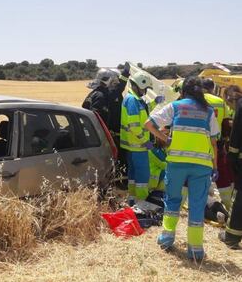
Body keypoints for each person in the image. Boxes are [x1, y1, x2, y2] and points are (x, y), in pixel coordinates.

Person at [145, 76, 219, 260]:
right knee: (197, 204)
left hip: (177, 163)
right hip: (202, 166)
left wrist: (165, 139)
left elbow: (149, 123)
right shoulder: (208, 112)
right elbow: (214, 142)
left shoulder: (176, 107)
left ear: (183, 91)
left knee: (172, 200)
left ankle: (166, 239)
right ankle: (195, 249)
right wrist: (215, 166)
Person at [83, 63, 130, 187]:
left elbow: (119, 88)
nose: (115, 84)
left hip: (102, 136)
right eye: (114, 81)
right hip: (108, 136)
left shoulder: (95, 93)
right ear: (108, 81)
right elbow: (97, 117)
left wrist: (125, 75)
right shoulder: (102, 95)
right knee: (119, 161)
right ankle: (120, 186)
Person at [120, 70, 158, 201]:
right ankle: (142, 200)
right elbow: (134, 125)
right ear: (138, 85)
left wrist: (155, 102)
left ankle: (132, 198)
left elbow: (144, 112)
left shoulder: (135, 99)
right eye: (145, 88)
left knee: (133, 175)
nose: (146, 91)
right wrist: (145, 141)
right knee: (142, 175)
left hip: (132, 146)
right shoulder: (132, 101)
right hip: (138, 146)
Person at [202, 78, 234, 209]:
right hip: (217, 145)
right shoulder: (219, 101)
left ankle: (204, 202)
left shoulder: (194, 100)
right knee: (222, 176)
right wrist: (226, 140)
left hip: (198, 145)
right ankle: (229, 206)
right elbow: (226, 124)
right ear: (212, 88)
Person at [219, 85, 242, 249]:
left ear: (229, 98)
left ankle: (231, 237)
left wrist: (231, 157)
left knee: (239, 200)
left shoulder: (240, 105)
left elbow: (236, 135)